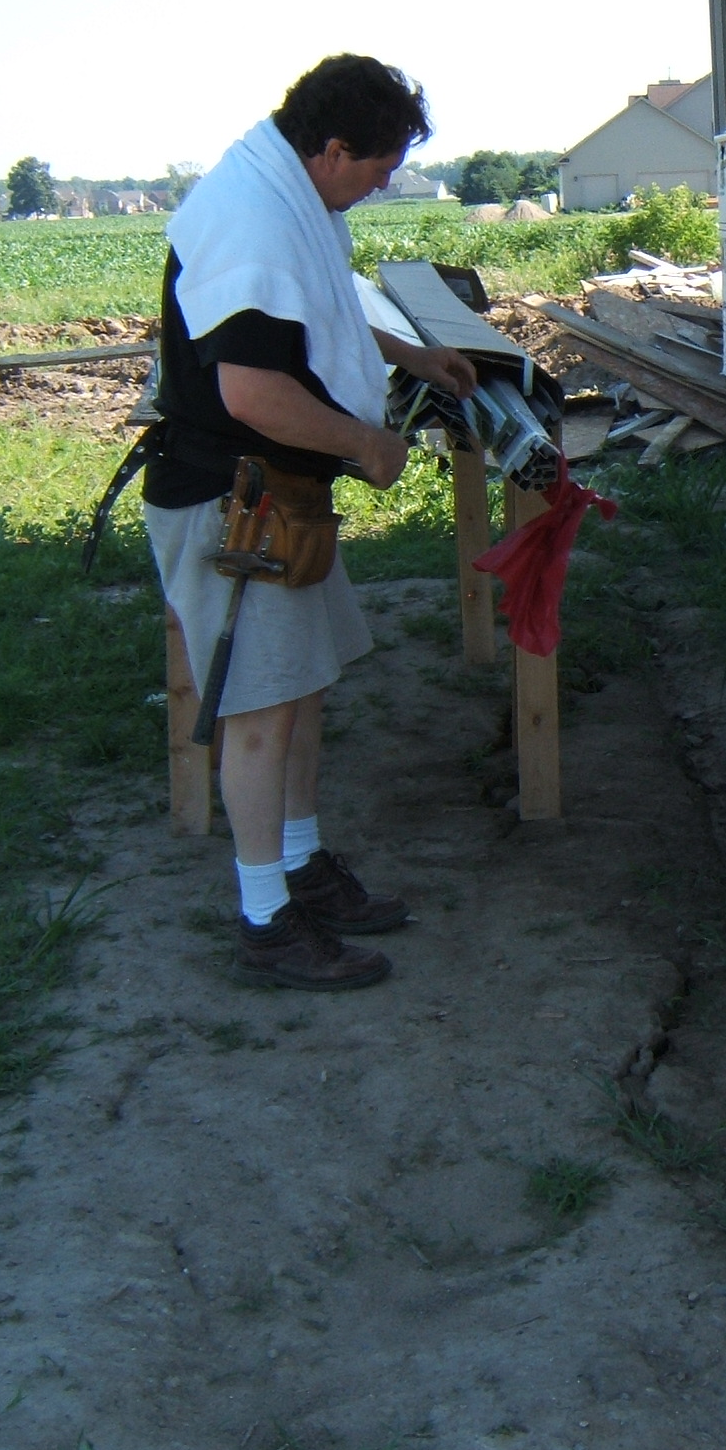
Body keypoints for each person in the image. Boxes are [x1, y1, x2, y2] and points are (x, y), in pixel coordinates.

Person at [143, 54, 477, 991]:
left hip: (276, 493)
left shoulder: (289, 193)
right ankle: (265, 921)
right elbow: (251, 390)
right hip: (235, 500)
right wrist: (365, 446)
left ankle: (300, 863)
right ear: (331, 148)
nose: (380, 188)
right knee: (259, 711)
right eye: (376, 169)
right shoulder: (253, 221)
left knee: (300, 690)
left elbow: (310, 315)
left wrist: (410, 353)